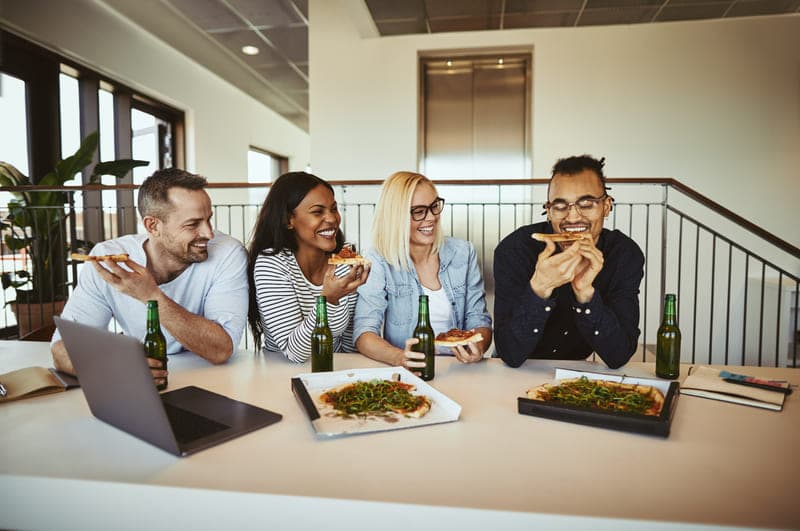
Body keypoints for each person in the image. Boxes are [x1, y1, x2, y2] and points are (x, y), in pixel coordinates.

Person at [51, 168, 249, 386]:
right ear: (152, 226)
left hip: (212, 381)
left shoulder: (228, 253)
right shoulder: (108, 261)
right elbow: (63, 349)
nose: (208, 233)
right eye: (193, 224)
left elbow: (221, 350)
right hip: (143, 386)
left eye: (209, 219)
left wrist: (151, 295)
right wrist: (118, 369)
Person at [493, 155, 644, 369]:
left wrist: (585, 293)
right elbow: (510, 353)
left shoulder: (624, 255)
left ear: (606, 206)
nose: (572, 218)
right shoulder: (515, 250)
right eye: (560, 206)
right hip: (517, 368)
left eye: (586, 204)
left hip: (575, 371)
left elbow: (618, 355)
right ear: (549, 210)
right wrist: (539, 288)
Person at [353, 171, 492, 373]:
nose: (432, 218)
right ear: (395, 217)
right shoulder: (379, 260)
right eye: (419, 211)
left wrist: (479, 346)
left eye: (434, 206)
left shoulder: (464, 252)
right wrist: (399, 358)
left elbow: (478, 319)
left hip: (459, 368)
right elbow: (364, 333)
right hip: (408, 371)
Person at [247, 172, 369, 362]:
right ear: (288, 220)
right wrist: (328, 300)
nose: (332, 219)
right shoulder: (271, 263)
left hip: (333, 366)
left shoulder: (347, 257)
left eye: (334, 209)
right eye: (318, 212)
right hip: (280, 371)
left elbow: (349, 341)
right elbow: (295, 353)